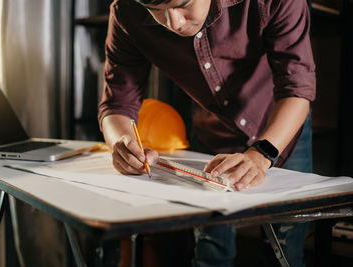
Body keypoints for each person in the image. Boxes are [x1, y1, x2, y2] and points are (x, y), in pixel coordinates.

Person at [97, 0, 316, 266]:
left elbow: (297, 89)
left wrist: (262, 153)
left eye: (183, 4)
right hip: (211, 134)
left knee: (285, 251)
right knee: (210, 252)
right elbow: (117, 104)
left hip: (280, 131)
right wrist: (121, 142)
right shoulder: (126, 10)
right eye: (155, 11)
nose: (174, 22)